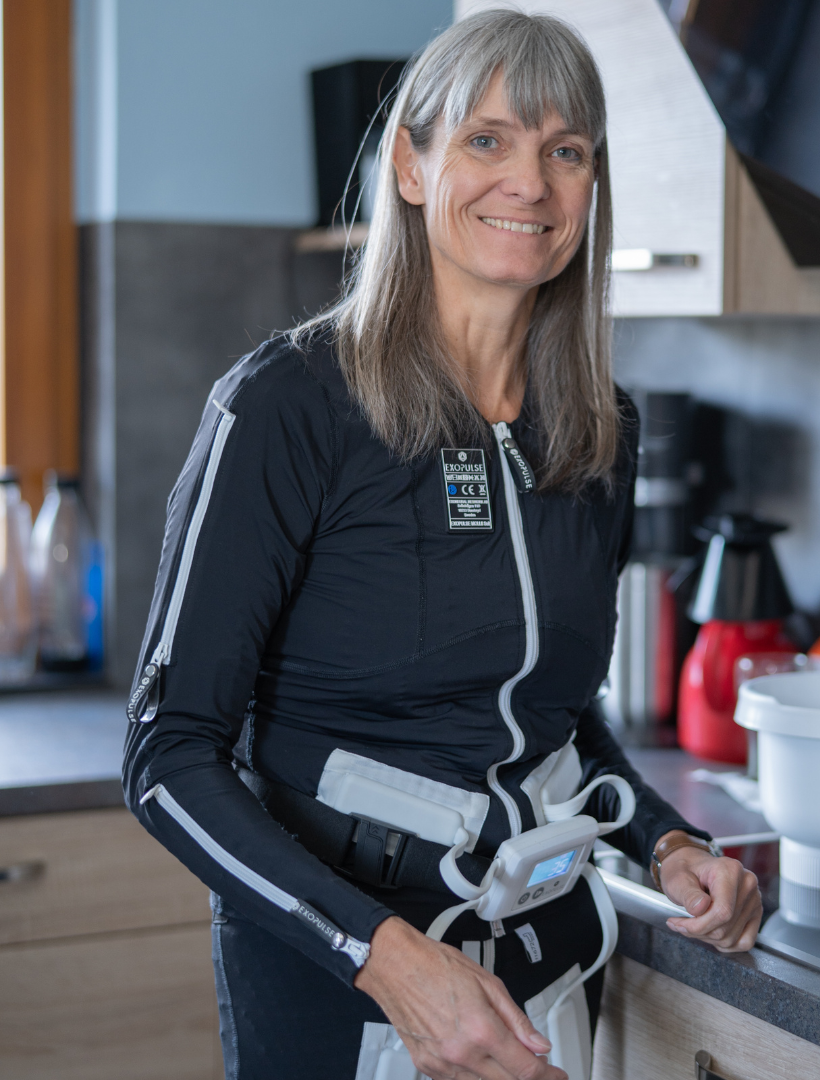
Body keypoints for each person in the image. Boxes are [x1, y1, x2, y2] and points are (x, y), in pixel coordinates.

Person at [123, 10, 762, 1080]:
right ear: (412, 167)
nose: (532, 181)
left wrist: (667, 841)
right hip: (343, 988)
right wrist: (384, 958)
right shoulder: (289, 405)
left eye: (566, 151)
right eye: (488, 140)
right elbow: (167, 756)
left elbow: (552, 719)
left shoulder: (598, 427)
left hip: (548, 975)